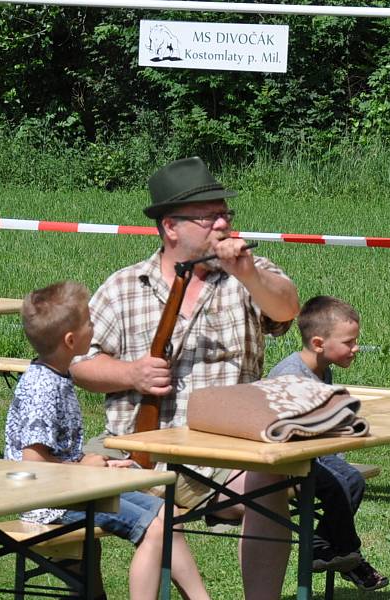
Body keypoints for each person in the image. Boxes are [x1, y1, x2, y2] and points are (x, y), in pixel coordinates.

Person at [70, 156, 301, 600]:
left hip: (228, 451)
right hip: (139, 450)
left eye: (225, 214)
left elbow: (286, 309)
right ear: (171, 227)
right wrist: (130, 373)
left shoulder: (249, 273)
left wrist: (247, 272)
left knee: (267, 480)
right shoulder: (122, 286)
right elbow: (80, 364)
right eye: (210, 215)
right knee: (70, 483)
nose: (223, 224)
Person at [4, 281, 209, 600]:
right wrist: (85, 467)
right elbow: (33, 463)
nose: (94, 326)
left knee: (166, 515)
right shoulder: (41, 389)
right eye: (88, 322)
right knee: (154, 530)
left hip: (72, 489)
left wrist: (102, 467)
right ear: (71, 340)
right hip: (49, 504)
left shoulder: (58, 376)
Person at [267, 295, 389, 592]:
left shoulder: (322, 368)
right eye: (349, 342)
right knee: (345, 480)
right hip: (290, 460)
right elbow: (285, 432)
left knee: (351, 480)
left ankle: (324, 549)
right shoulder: (291, 375)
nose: (356, 348)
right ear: (319, 343)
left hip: (317, 454)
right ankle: (349, 556)